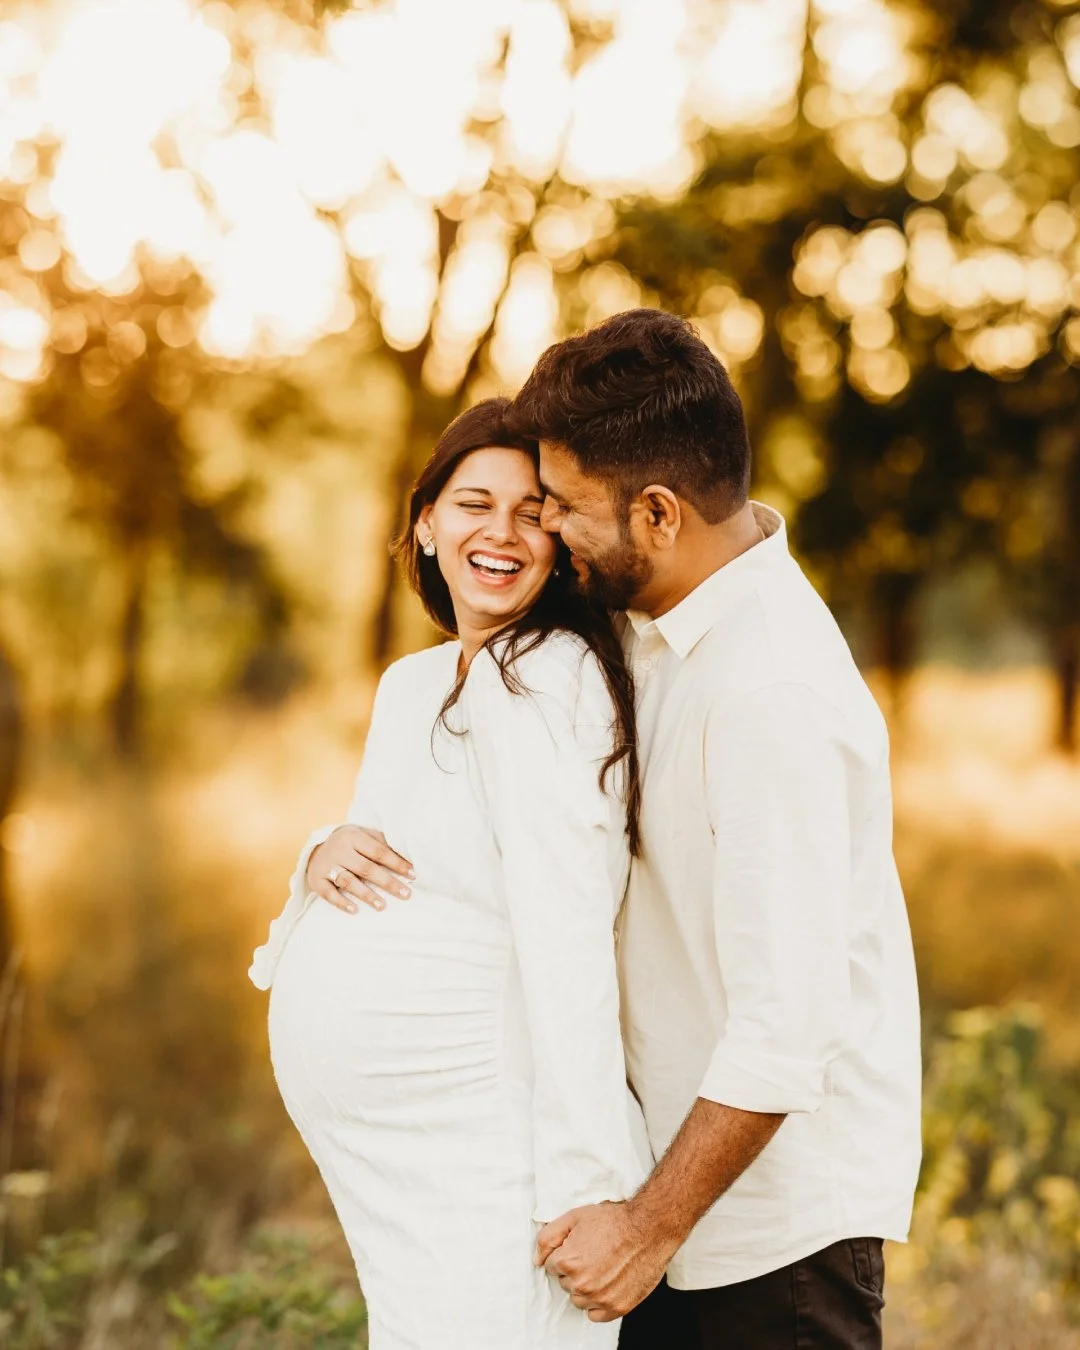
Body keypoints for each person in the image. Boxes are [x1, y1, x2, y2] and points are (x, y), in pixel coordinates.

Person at [332, 309, 923, 1349]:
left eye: (561, 506)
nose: (544, 530)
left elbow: (786, 1028)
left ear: (657, 513)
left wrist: (648, 1227)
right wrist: (320, 860)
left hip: (761, 1246)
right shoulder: (646, 618)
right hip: (657, 1208)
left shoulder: (770, 692)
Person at [249, 399, 649, 1350]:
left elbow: (568, 936)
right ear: (425, 522)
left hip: (490, 1155)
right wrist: (318, 850)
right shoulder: (413, 685)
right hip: (393, 1168)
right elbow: (405, 859)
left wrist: (592, 1185)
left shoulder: (550, 677)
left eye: (531, 513)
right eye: (474, 504)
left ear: (558, 544)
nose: (501, 534)